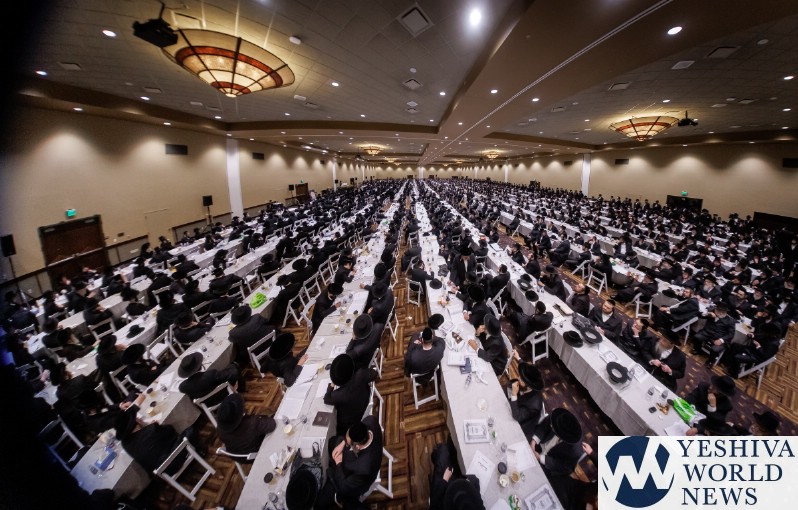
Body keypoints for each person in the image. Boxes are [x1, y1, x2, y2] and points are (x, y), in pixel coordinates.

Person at [316, 415, 384, 508]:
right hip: (366, 456)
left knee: (321, 501)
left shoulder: (363, 469)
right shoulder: (371, 420)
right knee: (333, 441)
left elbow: (343, 487)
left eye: (349, 443)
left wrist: (338, 463)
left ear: (357, 447)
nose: (347, 444)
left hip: (356, 482)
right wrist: (343, 443)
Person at [323, 354, 379, 436]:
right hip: (364, 402)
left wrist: (331, 385)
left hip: (351, 423)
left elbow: (326, 399)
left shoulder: (339, 394)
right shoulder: (361, 374)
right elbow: (374, 374)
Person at [531, 407, 584, 477]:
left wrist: (540, 458)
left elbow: (561, 465)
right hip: (539, 444)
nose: (551, 426)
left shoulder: (575, 451)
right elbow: (544, 426)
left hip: (549, 464)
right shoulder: (558, 418)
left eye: (553, 427)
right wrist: (533, 441)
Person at [508, 361, 545, 441]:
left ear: (529, 386)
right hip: (514, 409)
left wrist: (514, 394)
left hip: (522, 427)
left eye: (521, 379)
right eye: (520, 376)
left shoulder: (534, 405)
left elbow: (517, 416)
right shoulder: (524, 386)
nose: (518, 379)